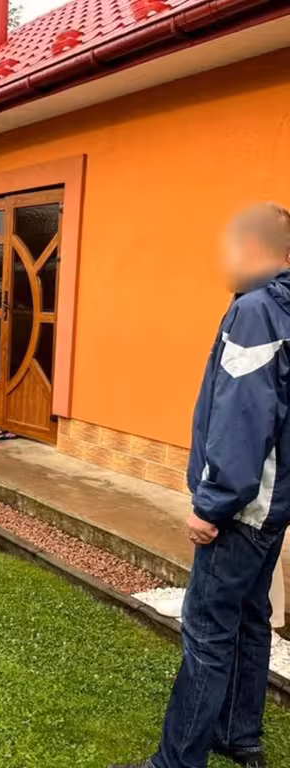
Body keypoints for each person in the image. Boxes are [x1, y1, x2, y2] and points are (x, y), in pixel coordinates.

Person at [112, 202, 290, 768]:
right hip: (273, 506)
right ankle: (240, 736)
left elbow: (243, 419)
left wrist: (212, 506)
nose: (225, 260)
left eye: (234, 247)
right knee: (250, 618)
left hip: (242, 509)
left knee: (208, 630)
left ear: (259, 250)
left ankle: (176, 761)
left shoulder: (256, 312)